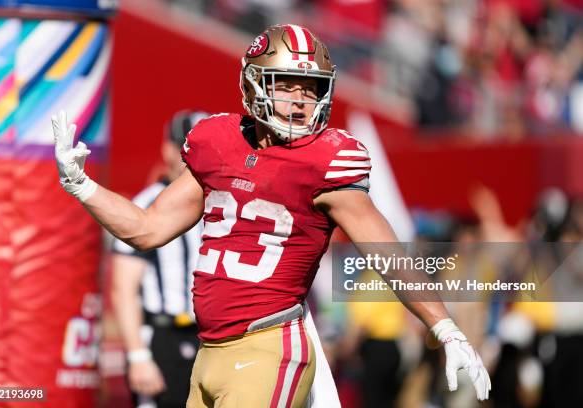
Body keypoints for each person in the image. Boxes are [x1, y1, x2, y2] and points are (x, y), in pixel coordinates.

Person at [52, 24, 491, 407]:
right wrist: (82, 186)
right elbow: (147, 230)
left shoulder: (326, 162)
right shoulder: (217, 143)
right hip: (208, 352)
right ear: (254, 84)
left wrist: (445, 327)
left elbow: (388, 255)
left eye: (311, 88)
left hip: (269, 346)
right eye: (287, 85)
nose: (301, 102)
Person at [111, 111, 208, 408]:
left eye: (202, 151)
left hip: (212, 339)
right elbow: (122, 288)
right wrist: (138, 356)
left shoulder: (224, 203)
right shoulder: (146, 204)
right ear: (168, 149)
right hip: (164, 337)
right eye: (186, 149)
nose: (192, 159)